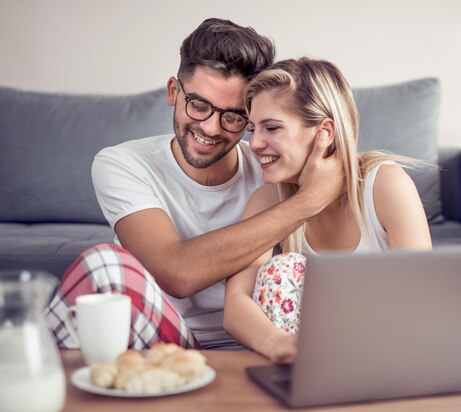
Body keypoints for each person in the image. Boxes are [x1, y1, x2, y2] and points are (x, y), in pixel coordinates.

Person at [45, 19, 344, 350]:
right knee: (103, 264)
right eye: (199, 105)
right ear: (174, 91)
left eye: (232, 116)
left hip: (257, 339)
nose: (211, 128)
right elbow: (177, 273)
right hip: (166, 338)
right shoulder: (122, 163)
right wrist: (308, 201)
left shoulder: (271, 169)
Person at [223, 58, 433, 363]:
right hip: (306, 363)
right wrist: (278, 344)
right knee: (281, 270)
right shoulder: (268, 200)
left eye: (271, 128)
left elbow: (422, 301)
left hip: (389, 355)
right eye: (253, 129)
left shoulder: (385, 184)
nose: (253, 143)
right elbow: (235, 302)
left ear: (325, 132)